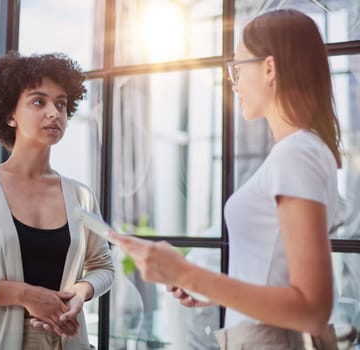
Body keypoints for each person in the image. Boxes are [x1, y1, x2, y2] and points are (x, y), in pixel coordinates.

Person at [109, 8, 341, 350]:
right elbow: (274, 273)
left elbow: (312, 309)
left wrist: (186, 273)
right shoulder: (302, 151)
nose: (233, 83)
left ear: (269, 68)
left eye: (237, 66)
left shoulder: (296, 154)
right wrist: (212, 290)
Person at [0, 51, 114, 349]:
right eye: (38, 101)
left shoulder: (80, 194)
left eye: (61, 104)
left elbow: (103, 266)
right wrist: (24, 295)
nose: (54, 113)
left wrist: (81, 292)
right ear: (9, 114)